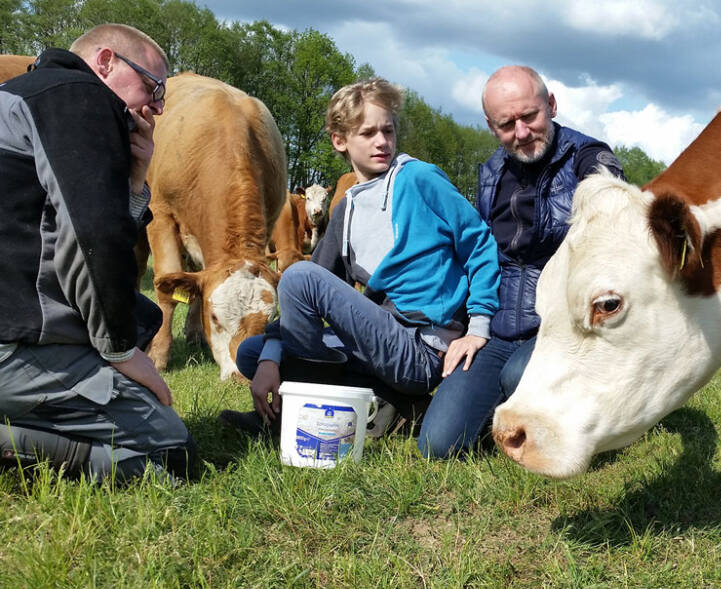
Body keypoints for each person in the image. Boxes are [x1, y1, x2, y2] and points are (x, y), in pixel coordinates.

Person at [219, 77, 500, 437]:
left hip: (422, 347)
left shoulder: (418, 178)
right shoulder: (347, 207)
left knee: (298, 277)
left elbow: (480, 243)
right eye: (368, 133)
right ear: (340, 140)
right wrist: (273, 355)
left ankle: (286, 419)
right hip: (382, 341)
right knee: (253, 352)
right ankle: (392, 406)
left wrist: (478, 328)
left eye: (388, 130)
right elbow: (309, 293)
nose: (382, 141)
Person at [0, 24, 199, 483]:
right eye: (154, 87)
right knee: (171, 453)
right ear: (106, 62)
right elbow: (93, 233)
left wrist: (134, 179)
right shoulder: (78, 95)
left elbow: (63, 217)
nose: (159, 107)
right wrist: (120, 349)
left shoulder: (18, 95)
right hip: (15, 345)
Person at [417, 66, 625, 458]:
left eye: (530, 116)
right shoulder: (491, 172)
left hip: (566, 326)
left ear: (551, 104)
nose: (522, 132)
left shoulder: (591, 160)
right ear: (491, 127)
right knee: (437, 446)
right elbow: (479, 255)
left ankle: (601, 406)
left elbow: (610, 244)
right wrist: (468, 327)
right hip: (498, 329)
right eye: (507, 124)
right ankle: (511, 404)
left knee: (517, 376)